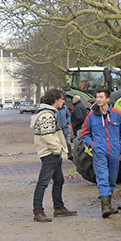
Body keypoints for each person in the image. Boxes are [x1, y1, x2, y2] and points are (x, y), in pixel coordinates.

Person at [80, 88, 121, 218]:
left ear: (107, 99)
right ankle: (105, 206)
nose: (98, 100)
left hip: (114, 151)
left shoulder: (117, 114)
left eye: (101, 97)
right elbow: (85, 134)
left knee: (112, 179)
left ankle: (109, 203)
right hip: (99, 151)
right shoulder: (91, 116)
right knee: (102, 177)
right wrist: (93, 145)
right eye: (97, 97)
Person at [30, 89, 77, 222]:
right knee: (43, 182)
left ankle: (59, 207)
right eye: (62, 99)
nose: (63, 101)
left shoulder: (49, 113)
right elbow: (47, 136)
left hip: (52, 153)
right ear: (55, 100)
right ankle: (38, 211)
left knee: (59, 180)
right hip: (50, 153)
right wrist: (57, 149)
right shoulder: (46, 115)